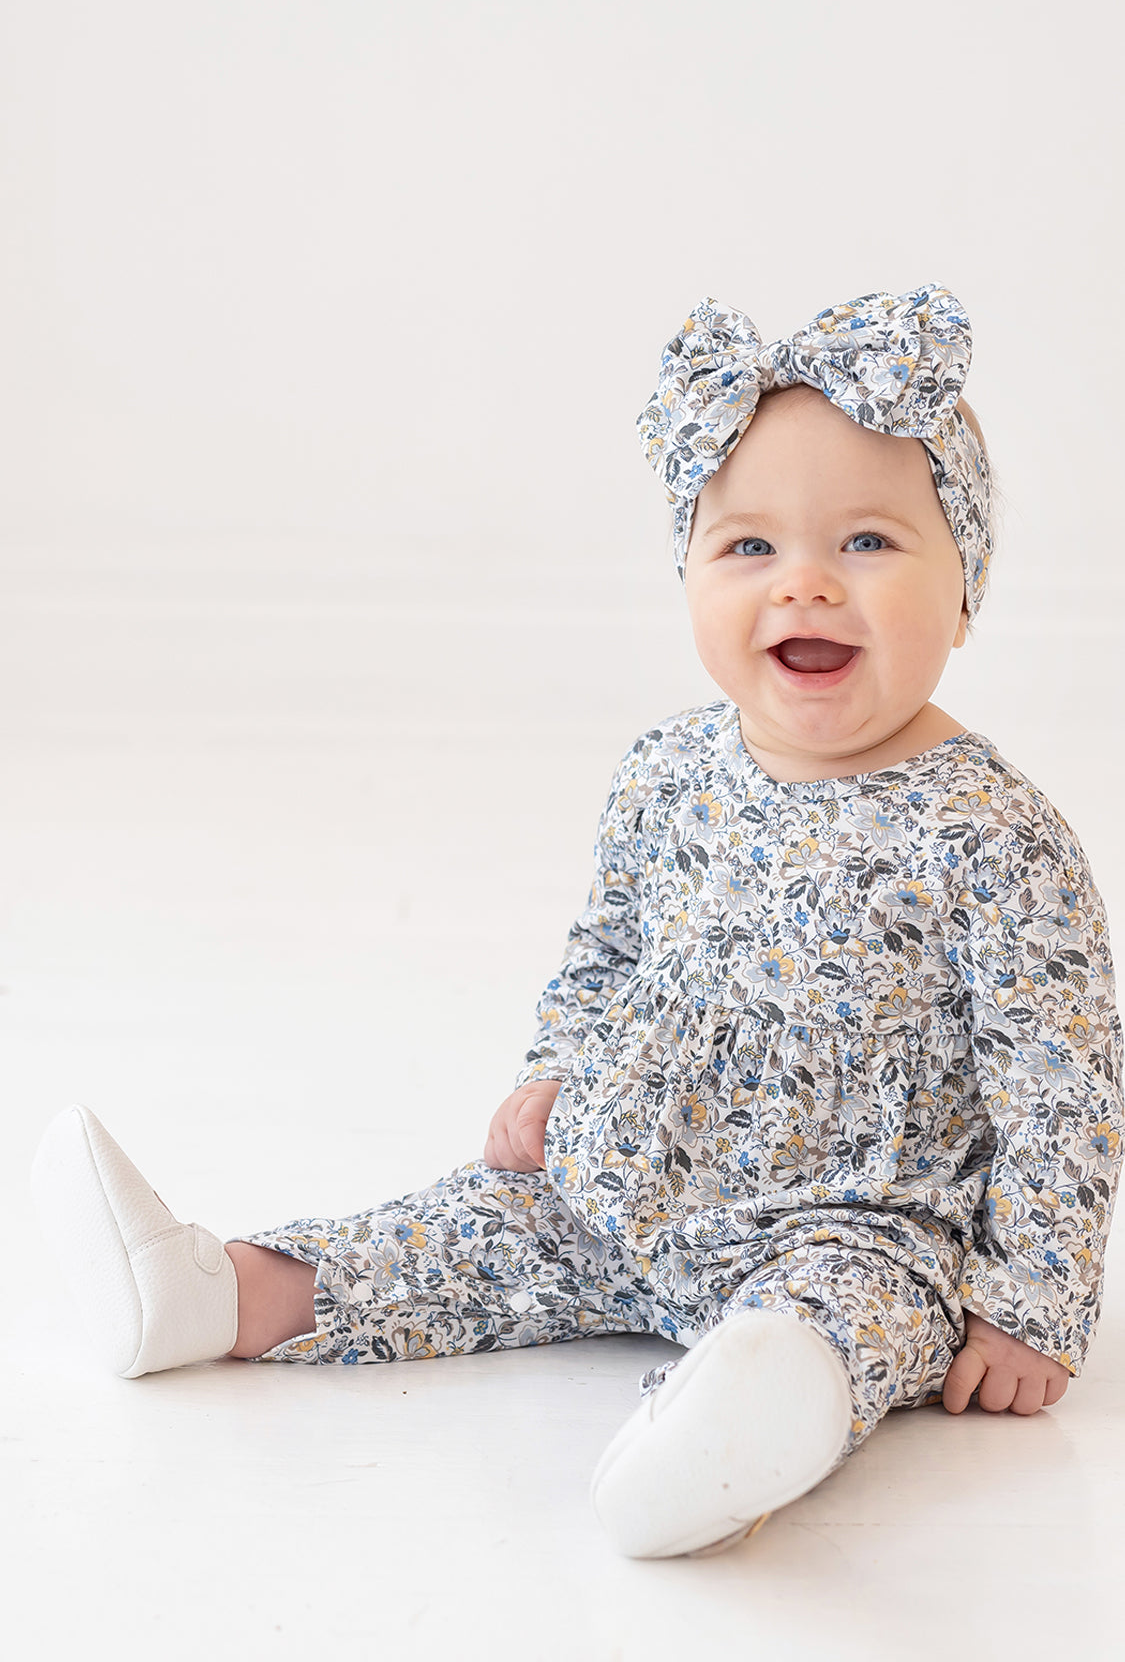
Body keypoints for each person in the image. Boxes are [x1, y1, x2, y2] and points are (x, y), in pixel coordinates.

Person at [30, 284, 1124, 1560]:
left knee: (850, 1317)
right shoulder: (667, 773)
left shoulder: (990, 834)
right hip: (629, 1179)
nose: (807, 585)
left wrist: (1031, 1303)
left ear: (967, 586)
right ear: (689, 573)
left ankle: (736, 1430)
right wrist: (554, 1073)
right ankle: (218, 1291)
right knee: (460, 1233)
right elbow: (606, 954)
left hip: (860, 1216)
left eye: (870, 542)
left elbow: (1065, 1087)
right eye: (749, 548)